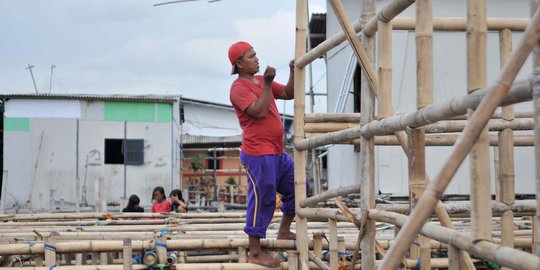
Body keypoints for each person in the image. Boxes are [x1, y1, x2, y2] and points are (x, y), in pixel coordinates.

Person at [228, 41, 304, 268]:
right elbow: (259, 112)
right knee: (263, 197)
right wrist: (269, 83)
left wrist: (292, 71)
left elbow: (289, 93)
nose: (257, 59)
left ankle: (284, 230)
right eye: (251, 56)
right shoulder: (238, 88)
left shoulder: (261, 81)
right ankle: (254, 250)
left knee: (300, 189)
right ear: (239, 63)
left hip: (277, 152)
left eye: (256, 54)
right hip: (257, 154)